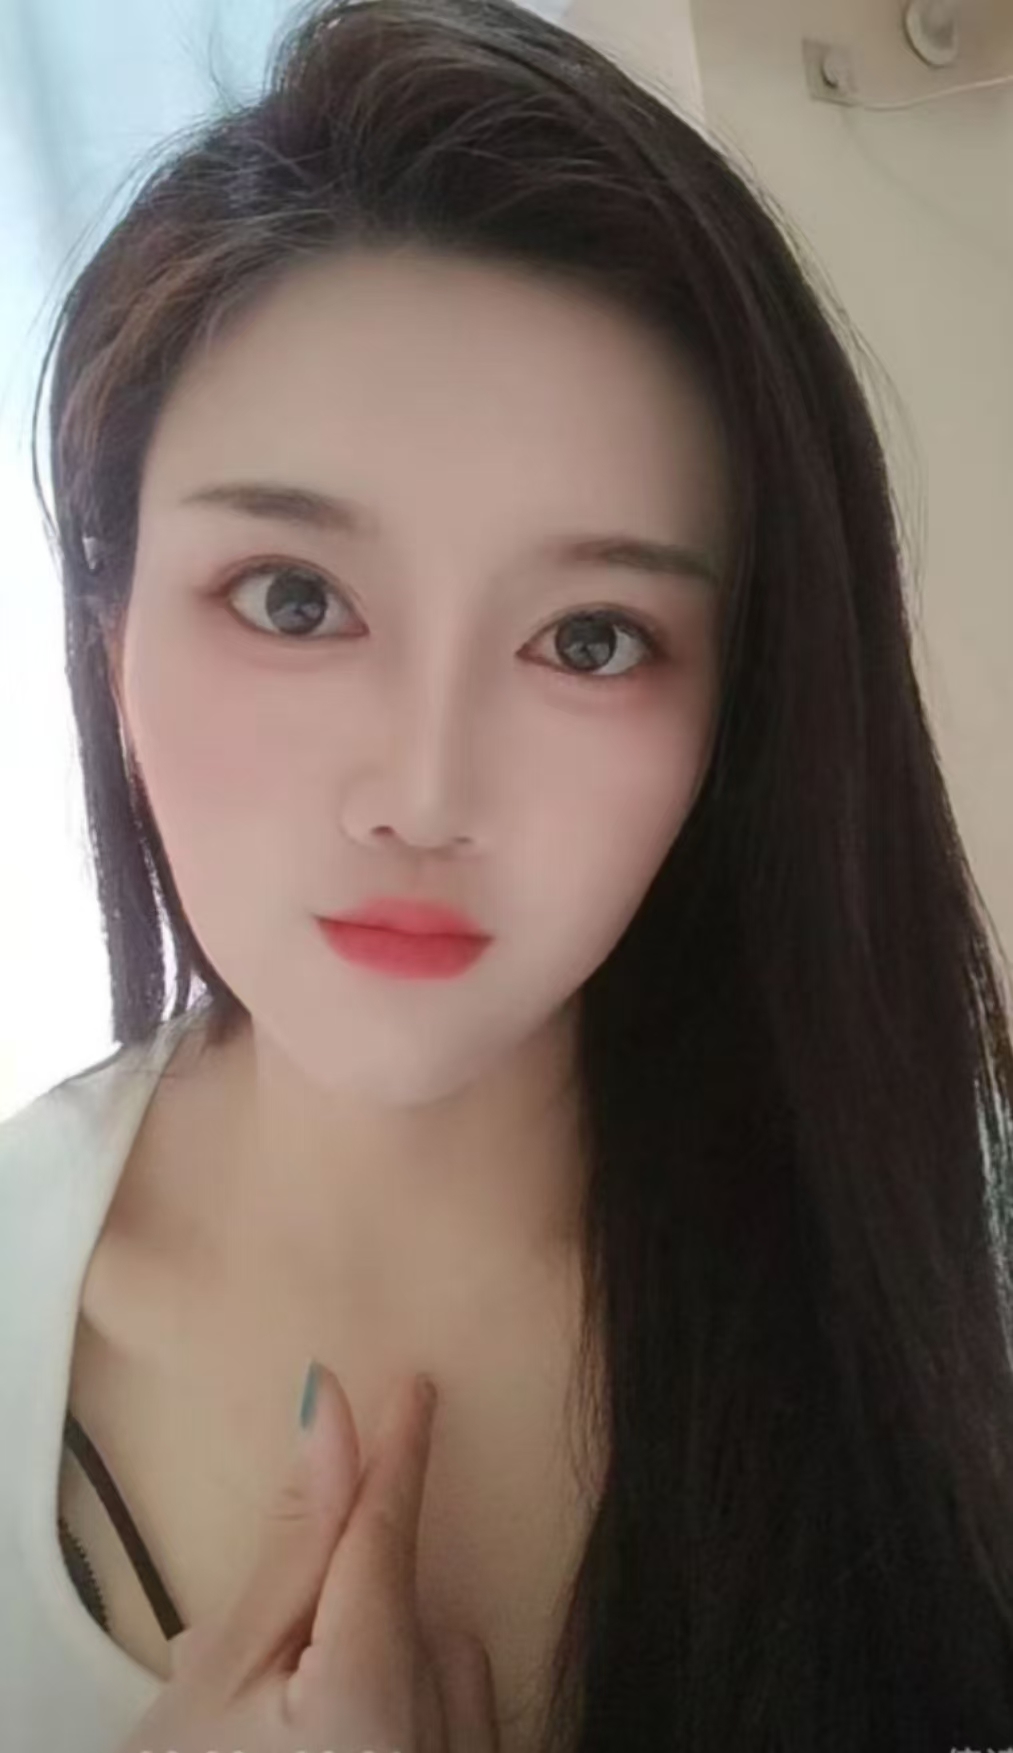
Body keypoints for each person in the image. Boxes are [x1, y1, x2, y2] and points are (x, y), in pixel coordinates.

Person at [2, 0, 1013, 1748]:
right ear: (111, 631)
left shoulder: (954, 1265)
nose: (424, 793)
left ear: (740, 708)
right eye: (295, 600)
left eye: (591, 636)